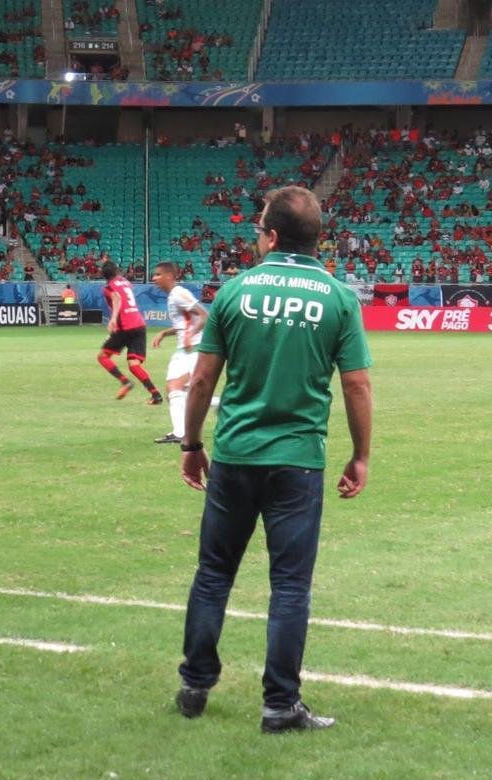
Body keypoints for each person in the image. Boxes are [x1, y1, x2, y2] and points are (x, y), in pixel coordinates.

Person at [174, 186, 373, 734]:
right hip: (298, 461)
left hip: (236, 454)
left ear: (273, 235)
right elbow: (356, 385)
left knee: (214, 573)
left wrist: (191, 446)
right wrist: (360, 456)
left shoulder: (235, 291)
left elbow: (203, 380)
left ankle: (194, 684)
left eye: (259, 227)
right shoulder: (338, 297)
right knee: (290, 586)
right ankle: (280, 705)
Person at [151, 262, 208, 444]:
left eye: (158, 274)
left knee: (175, 388)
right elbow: (183, 324)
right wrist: (164, 333)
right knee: (179, 391)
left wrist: (191, 335)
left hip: (193, 348)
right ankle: (221, 405)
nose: (154, 278)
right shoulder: (173, 296)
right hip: (185, 348)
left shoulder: (179, 294)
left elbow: (203, 315)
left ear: (170, 276)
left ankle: (180, 433)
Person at [98, 261, 162, 403]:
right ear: (116, 272)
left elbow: (116, 298)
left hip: (124, 326)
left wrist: (113, 318)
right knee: (134, 365)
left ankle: (125, 382)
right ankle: (156, 395)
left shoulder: (107, 287)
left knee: (102, 357)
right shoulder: (125, 282)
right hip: (139, 324)